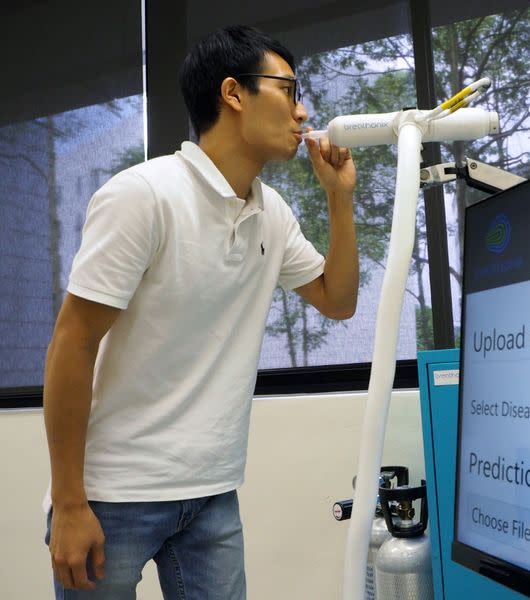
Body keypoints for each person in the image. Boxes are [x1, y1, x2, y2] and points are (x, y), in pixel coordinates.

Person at [42, 24, 358, 599]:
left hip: (212, 492)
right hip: (113, 494)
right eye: (287, 90)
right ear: (234, 93)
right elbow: (74, 341)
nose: (303, 110)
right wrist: (68, 502)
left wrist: (339, 197)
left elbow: (337, 302)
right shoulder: (143, 195)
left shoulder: (272, 212)